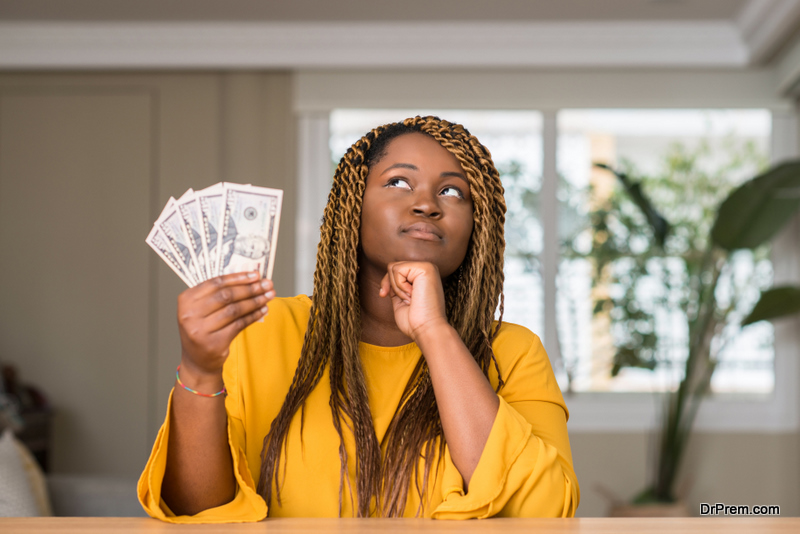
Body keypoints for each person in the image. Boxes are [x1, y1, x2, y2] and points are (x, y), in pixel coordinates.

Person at [138, 116, 580, 522]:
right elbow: (197, 513)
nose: (427, 204)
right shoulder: (263, 330)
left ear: (476, 228)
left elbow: (543, 514)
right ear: (353, 208)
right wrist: (199, 369)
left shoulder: (513, 352)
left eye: (452, 192)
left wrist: (434, 332)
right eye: (399, 182)